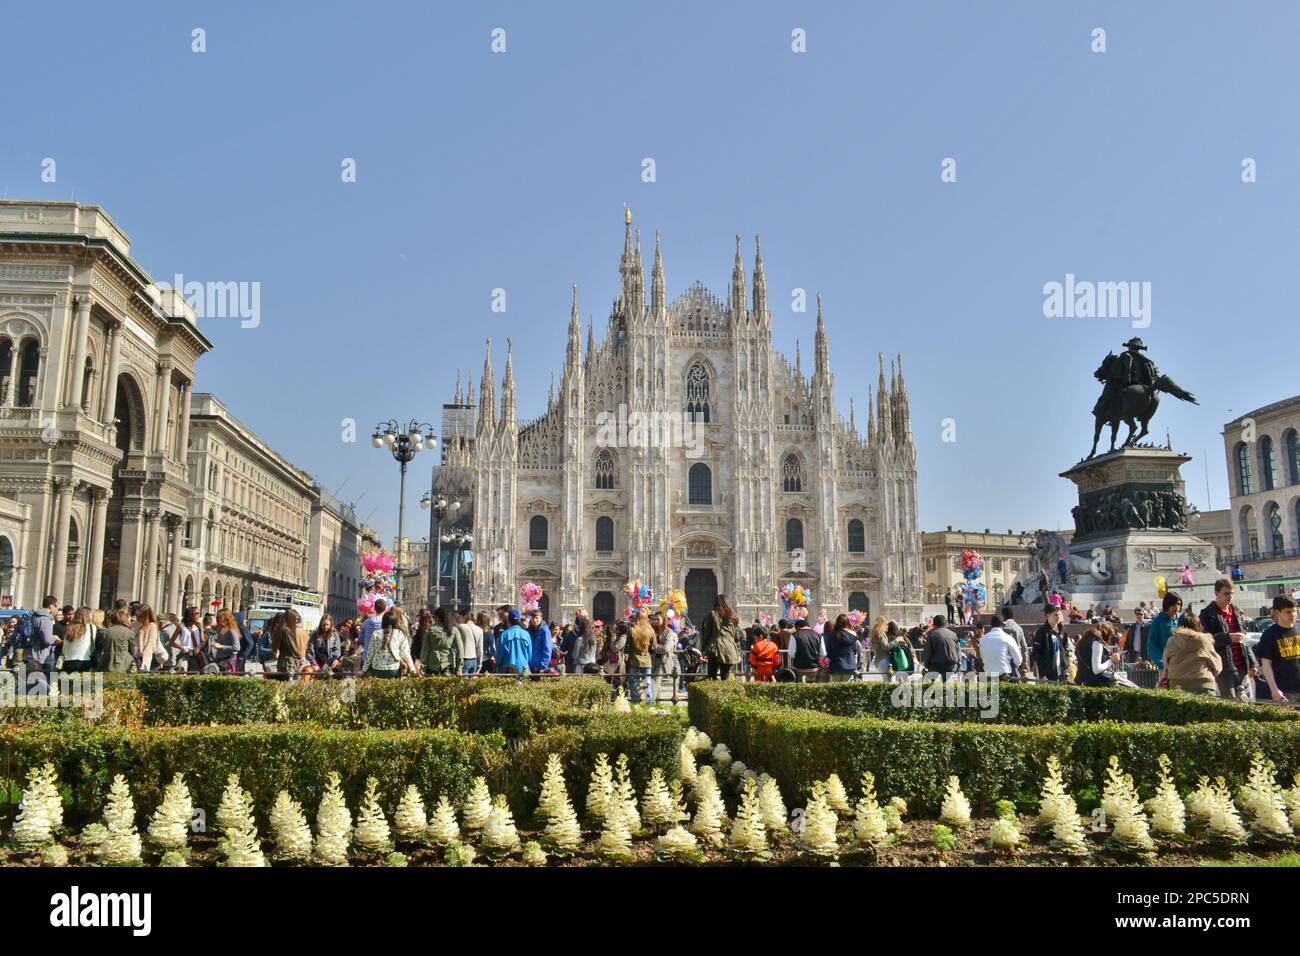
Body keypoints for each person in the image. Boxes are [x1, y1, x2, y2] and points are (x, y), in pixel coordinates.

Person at [1198, 578, 1258, 701]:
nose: (1229, 597)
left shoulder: (1236, 611)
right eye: (1226, 593)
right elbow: (1204, 641)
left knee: (1248, 702)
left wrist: (1252, 663)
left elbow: (1244, 639)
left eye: (1232, 593)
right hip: (1223, 668)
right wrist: (1227, 638)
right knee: (1229, 702)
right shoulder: (1207, 614)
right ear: (1216, 593)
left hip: (1242, 666)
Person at [1162, 611, 1221, 694]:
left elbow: (1165, 661)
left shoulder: (1172, 641)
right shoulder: (1205, 641)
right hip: (1204, 685)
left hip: (1177, 685)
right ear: (1199, 625)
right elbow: (1217, 666)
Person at [1256, 596, 1300, 705]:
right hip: (1284, 690)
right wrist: (1274, 689)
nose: (1293, 615)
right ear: (1277, 613)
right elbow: (1266, 665)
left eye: (1295, 611)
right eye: (1288, 612)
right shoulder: (1269, 635)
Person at [699, 595, 741, 681]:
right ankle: (724, 694)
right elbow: (736, 637)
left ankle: (713, 694)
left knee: (711, 676)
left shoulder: (712, 614)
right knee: (725, 677)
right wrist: (738, 652)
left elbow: (708, 634)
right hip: (729, 648)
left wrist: (703, 650)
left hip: (715, 648)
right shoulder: (733, 616)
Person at [364, 609, 417, 678]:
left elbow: (370, 653)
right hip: (393, 670)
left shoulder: (376, 633)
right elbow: (406, 653)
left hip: (377, 669)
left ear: (383, 621)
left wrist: (364, 669)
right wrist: (412, 669)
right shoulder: (400, 634)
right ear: (395, 622)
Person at [1146, 591, 1181, 674]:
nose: (1177, 607)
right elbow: (1151, 644)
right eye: (1174, 604)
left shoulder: (1182, 618)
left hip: (1181, 664)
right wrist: (1161, 663)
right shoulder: (1158, 621)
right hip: (1166, 667)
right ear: (1167, 604)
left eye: (1179, 604)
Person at [650, 611, 681, 703]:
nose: (655, 621)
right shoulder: (653, 631)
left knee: (655, 682)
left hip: (664, 661)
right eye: (654, 619)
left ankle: (650, 704)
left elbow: (666, 648)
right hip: (653, 660)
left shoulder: (669, 632)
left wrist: (655, 647)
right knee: (656, 683)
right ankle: (658, 703)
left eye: (657, 619)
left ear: (663, 620)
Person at [1032, 606, 1070, 682]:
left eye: (1059, 614)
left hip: (1062, 673)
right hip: (1048, 674)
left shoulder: (1062, 630)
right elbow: (1036, 653)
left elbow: (1066, 648)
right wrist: (1042, 673)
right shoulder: (1041, 632)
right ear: (1047, 615)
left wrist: (1066, 664)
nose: (1058, 617)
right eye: (1055, 615)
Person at [627, 610, 656, 704]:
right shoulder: (651, 630)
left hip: (634, 660)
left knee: (634, 684)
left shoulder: (632, 630)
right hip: (647, 660)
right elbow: (653, 647)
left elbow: (628, 646)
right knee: (648, 683)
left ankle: (635, 703)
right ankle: (649, 703)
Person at [97, 608, 139, 673]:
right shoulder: (129, 632)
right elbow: (132, 651)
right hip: (122, 664)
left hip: (106, 662)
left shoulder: (107, 631)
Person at [272, 609, 310, 677]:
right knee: (290, 683)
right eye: (295, 620)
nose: (296, 622)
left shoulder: (281, 629)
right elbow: (292, 647)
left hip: (282, 661)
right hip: (289, 663)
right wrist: (301, 656)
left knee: (282, 683)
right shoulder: (287, 631)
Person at [57, 606, 96, 673]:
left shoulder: (69, 627)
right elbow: (93, 644)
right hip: (85, 660)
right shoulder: (91, 627)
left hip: (69, 661)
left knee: (68, 683)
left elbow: (64, 649)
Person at [496, 608, 533, 676]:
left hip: (508, 670)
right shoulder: (526, 634)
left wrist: (498, 668)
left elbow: (499, 656)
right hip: (524, 668)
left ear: (509, 620)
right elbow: (530, 655)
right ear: (519, 620)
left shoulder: (504, 634)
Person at [789, 615, 824, 682]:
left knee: (800, 690)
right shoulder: (818, 636)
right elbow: (823, 653)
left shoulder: (794, 635)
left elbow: (791, 653)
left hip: (799, 668)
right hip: (814, 668)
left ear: (797, 627)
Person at [825, 615, 859, 681]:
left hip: (836, 665)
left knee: (835, 688)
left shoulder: (832, 635)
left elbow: (829, 650)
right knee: (846, 688)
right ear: (848, 623)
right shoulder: (853, 635)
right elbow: (854, 651)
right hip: (850, 665)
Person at [1001, 606, 1030, 679]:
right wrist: (1024, 661)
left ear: (1003, 615)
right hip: (1016, 659)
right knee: (1016, 682)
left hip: (1002, 659)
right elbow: (1024, 647)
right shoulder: (1018, 628)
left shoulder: (1001, 627)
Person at [358, 598, 387, 665]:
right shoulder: (387, 623)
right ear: (385, 609)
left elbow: (360, 640)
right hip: (382, 659)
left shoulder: (366, 622)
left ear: (374, 608)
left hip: (367, 658)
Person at [134, 604, 161, 672]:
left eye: (140, 616)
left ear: (146, 616)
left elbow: (150, 644)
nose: (138, 618)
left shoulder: (152, 626)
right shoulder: (135, 625)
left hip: (144, 659)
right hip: (134, 657)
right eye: (137, 615)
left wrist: (144, 662)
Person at [528, 610, 553, 675]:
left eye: (536, 618)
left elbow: (547, 649)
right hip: (530, 666)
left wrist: (543, 666)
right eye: (533, 618)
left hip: (539, 667)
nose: (534, 620)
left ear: (541, 618)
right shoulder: (530, 630)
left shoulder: (544, 631)